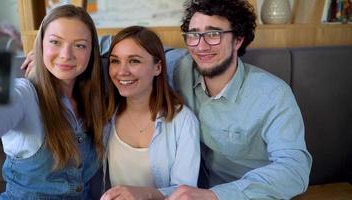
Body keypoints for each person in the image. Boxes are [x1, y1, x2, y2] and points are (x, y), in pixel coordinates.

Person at [166, 0, 312, 199]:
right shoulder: (179, 68)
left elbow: (294, 170)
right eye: (193, 35)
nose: (200, 46)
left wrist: (215, 196)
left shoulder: (273, 94)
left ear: (238, 40)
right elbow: (136, 48)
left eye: (213, 34)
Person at [0, 4, 109, 199]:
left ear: (92, 51)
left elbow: (131, 45)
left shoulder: (93, 97)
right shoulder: (24, 93)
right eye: (55, 42)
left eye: (79, 45)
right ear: (40, 45)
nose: (66, 54)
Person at [99, 26, 200, 200]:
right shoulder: (104, 116)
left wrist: (145, 194)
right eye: (115, 61)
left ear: (158, 68)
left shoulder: (183, 121)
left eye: (134, 61)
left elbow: (185, 192)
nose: (122, 71)